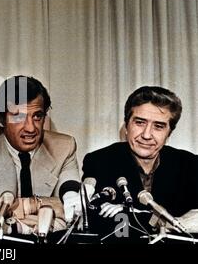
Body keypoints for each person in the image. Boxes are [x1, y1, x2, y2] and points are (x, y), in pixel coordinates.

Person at [0, 75, 81, 235]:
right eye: (18, 117)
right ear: (0, 119)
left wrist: (14, 220)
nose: (30, 128)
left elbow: (74, 209)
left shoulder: (64, 147)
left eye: (37, 116)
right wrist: (38, 209)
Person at [82, 86, 198, 233]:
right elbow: (103, 221)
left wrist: (132, 215)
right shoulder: (100, 161)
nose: (147, 135)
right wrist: (176, 224)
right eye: (140, 122)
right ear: (126, 125)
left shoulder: (191, 164)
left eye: (158, 126)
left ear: (169, 133)